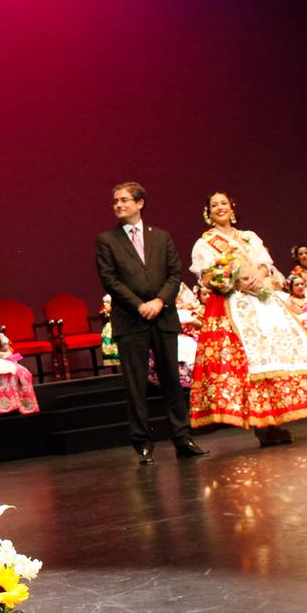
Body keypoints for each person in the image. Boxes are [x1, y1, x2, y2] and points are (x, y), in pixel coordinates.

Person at [189, 192, 307, 446]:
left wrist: (257, 276)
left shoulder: (248, 237)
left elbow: (264, 264)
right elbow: (207, 278)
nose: (220, 208)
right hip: (233, 305)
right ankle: (261, 423)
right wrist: (232, 280)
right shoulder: (205, 243)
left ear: (232, 208)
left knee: (277, 355)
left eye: (224, 204)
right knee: (250, 362)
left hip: (262, 301)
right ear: (208, 212)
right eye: (214, 205)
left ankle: (276, 419)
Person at [95, 182, 207, 464]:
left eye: (124, 200)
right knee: (136, 385)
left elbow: (174, 273)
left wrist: (159, 302)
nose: (119, 205)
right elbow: (110, 279)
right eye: (115, 201)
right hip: (130, 319)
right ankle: (143, 443)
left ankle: (183, 438)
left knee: (172, 380)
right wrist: (139, 305)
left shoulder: (161, 237)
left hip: (163, 316)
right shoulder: (107, 240)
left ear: (140, 203)